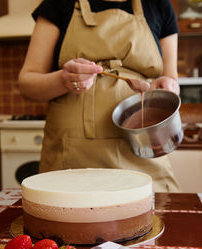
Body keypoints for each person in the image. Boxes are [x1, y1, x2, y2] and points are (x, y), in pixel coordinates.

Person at [18, 0, 180, 192]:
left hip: (143, 149)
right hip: (71, 155)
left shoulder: (159, 6)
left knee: (155, 217)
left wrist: (168, 86)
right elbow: (26, 85)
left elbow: (171, 79)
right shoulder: (57, 4)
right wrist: (63, 80)